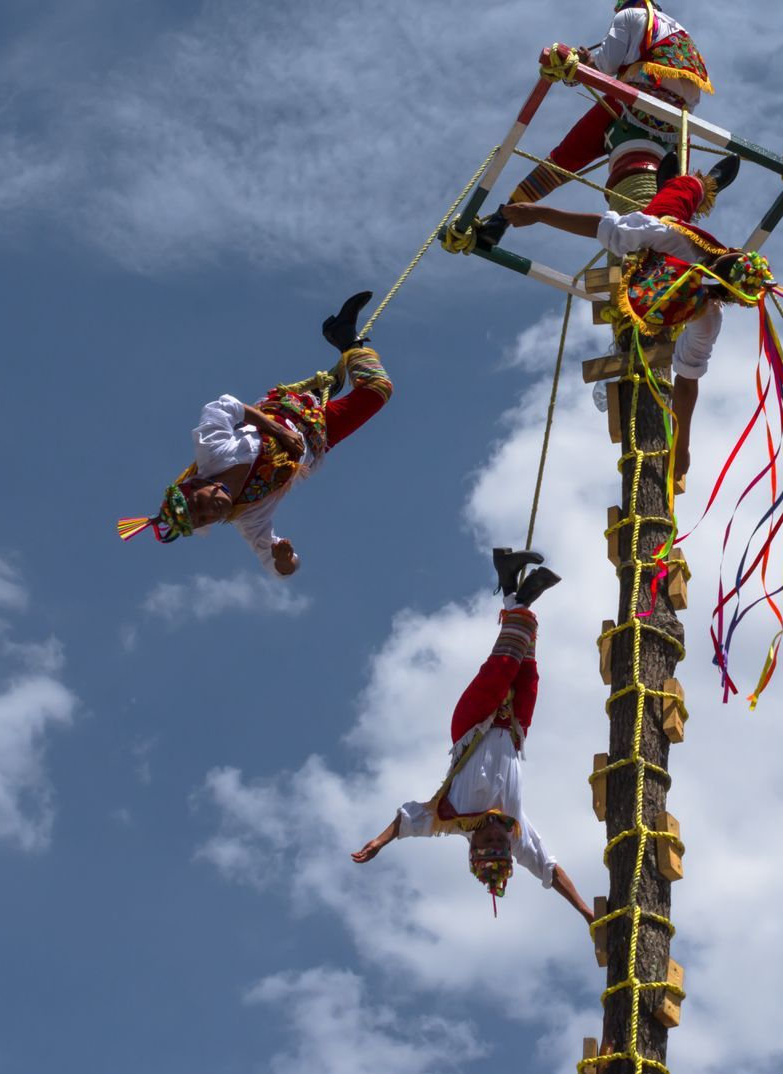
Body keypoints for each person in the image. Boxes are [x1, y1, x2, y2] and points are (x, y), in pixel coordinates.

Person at [495, 160, 783, 485]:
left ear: (723, 297)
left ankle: (688, 183)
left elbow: (688, 379)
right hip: (659, 236)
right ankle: (706, 183)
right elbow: (606, 229)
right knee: (683, 192)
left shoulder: (708, 316)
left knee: (678, 194)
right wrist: (539, 214)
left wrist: (682, 444)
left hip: (658, 285)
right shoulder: (672, 236)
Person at [351, 550, 595, 925]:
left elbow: (406, 820)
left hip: (472, 724)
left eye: (487, 845)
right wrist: (585, 911)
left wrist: (380, 842)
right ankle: (513, 587)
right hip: (513, 727)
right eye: (500, 846)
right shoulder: (517, 829)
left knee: (504, 663)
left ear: (473, 849)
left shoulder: (449, 818)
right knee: (527, 670)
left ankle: (519, 597)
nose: (495, 839)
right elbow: (549, 870)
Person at [116, 292, 392, 576]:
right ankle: (344, 336)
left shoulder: (213, 453)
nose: (210, 513)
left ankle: (331, 366)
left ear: (197, 486)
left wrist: (276, 431)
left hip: (287, 412)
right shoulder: (249, 516)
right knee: (378, 391)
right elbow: (278, 565)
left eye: (199, 506)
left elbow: (226, 406)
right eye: (203, 520)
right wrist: (284, 558)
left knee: (372, 392)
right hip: (321, 436)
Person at [487, 0, 716, 226]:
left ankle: (502, 218)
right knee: (677, 192)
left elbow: (606, 65)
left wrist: (583, 64)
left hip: (635, 103)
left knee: (565, 157)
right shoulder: (682, 33)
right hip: (678, 123)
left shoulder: (628, 16)